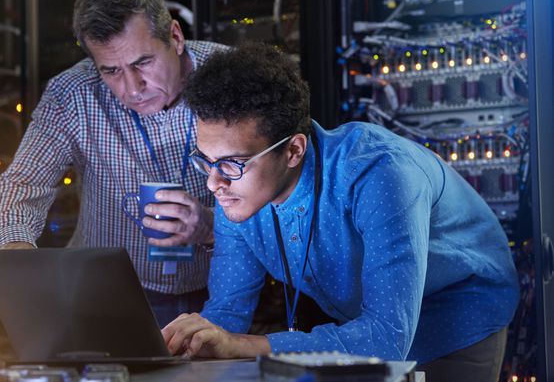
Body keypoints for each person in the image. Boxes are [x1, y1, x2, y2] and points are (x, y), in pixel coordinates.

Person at [162, 43, 519, 382]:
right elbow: (226, 316)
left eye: (231, 164)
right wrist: (188, 344)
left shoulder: (379, 174)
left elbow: (386, 340)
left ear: (293, 151)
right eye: (206, 162)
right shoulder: (236, 194)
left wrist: (243, 346)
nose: (213, 183)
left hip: (457, 313)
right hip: (361, 331)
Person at [0, 0, 229, 327]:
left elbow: (286, 193)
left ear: (175, 36)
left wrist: (210, 226)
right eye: (111, 71)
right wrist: (14, 253)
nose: (133, 88)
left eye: (143, 63)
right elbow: (21, 185)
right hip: (107, 295)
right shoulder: (73, 94)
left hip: (225, 291)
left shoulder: (230, 76)